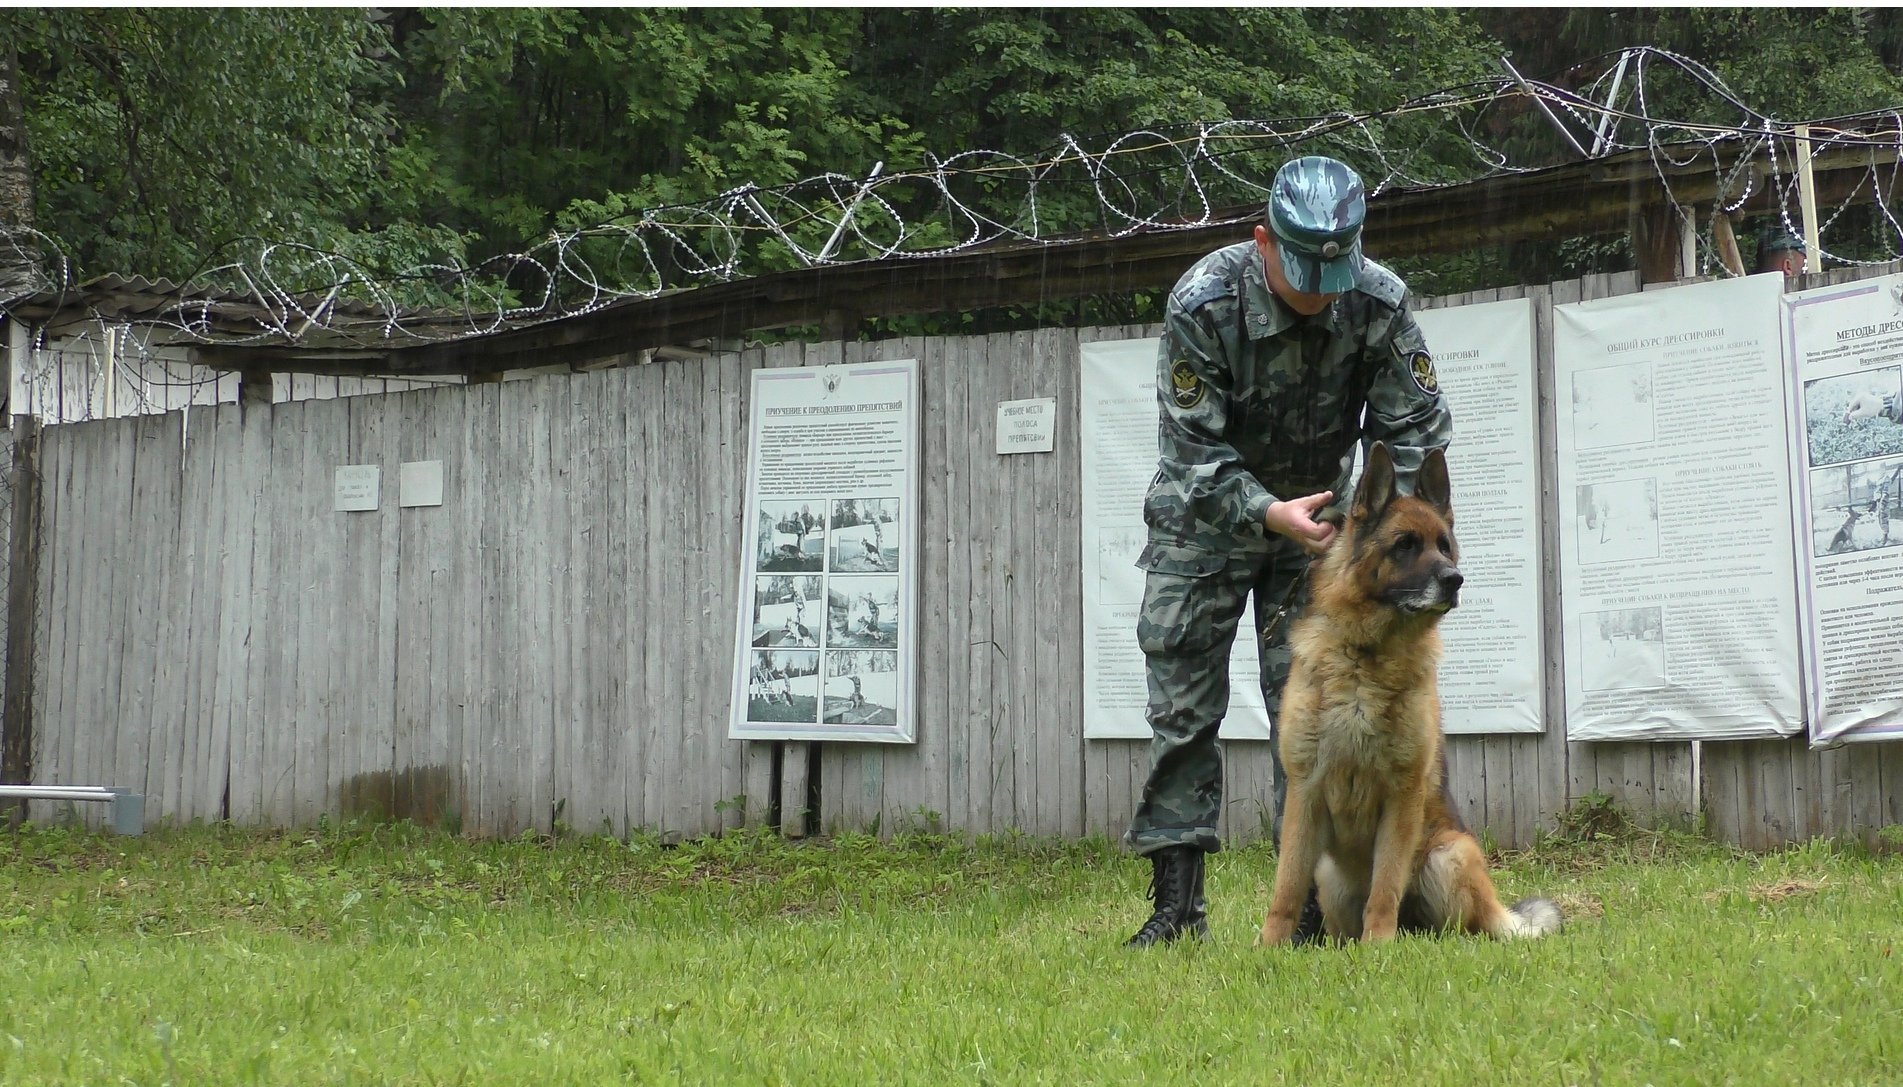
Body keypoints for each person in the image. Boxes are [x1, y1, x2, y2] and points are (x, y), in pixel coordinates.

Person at [1124, 155, 1454, 948]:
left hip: (1320, 538)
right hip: (1203, 523)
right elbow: (1189, 451)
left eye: (1331, 270)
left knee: (1304, 716)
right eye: (1302, 269)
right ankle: (1176, 909)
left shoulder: (1377, 301)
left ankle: (1308, 909)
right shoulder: (1202, 301)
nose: (1317, 289)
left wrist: (1374, 527)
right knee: (1182, 712)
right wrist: (1262, 508)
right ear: (1261, 240)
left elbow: (1416, 430)